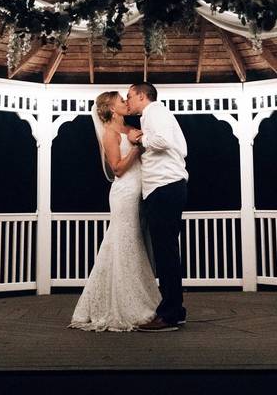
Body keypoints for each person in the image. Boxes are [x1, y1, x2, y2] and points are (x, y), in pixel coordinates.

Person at [68, 91, 161, 332]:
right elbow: (117, 169)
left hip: (141, 191)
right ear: (110, 108)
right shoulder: (109, 134)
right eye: (121, 100)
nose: (125, 102)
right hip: (124, 194)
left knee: (133, 243)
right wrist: (136, 149)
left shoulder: (130, 127)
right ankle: (122, 305)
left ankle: (138, 297)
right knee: (124, 242)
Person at [126, 82, 189, 332]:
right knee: (167, 251)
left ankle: (169, 315)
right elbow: (176, 146)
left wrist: (138, 138)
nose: (127, 101)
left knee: (166, 253)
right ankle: (176, 310)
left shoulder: (155, 112)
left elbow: (161, 141)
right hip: (164, 187)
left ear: (142, 96)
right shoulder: (154, 115)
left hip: (165, 187)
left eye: (130, 96)